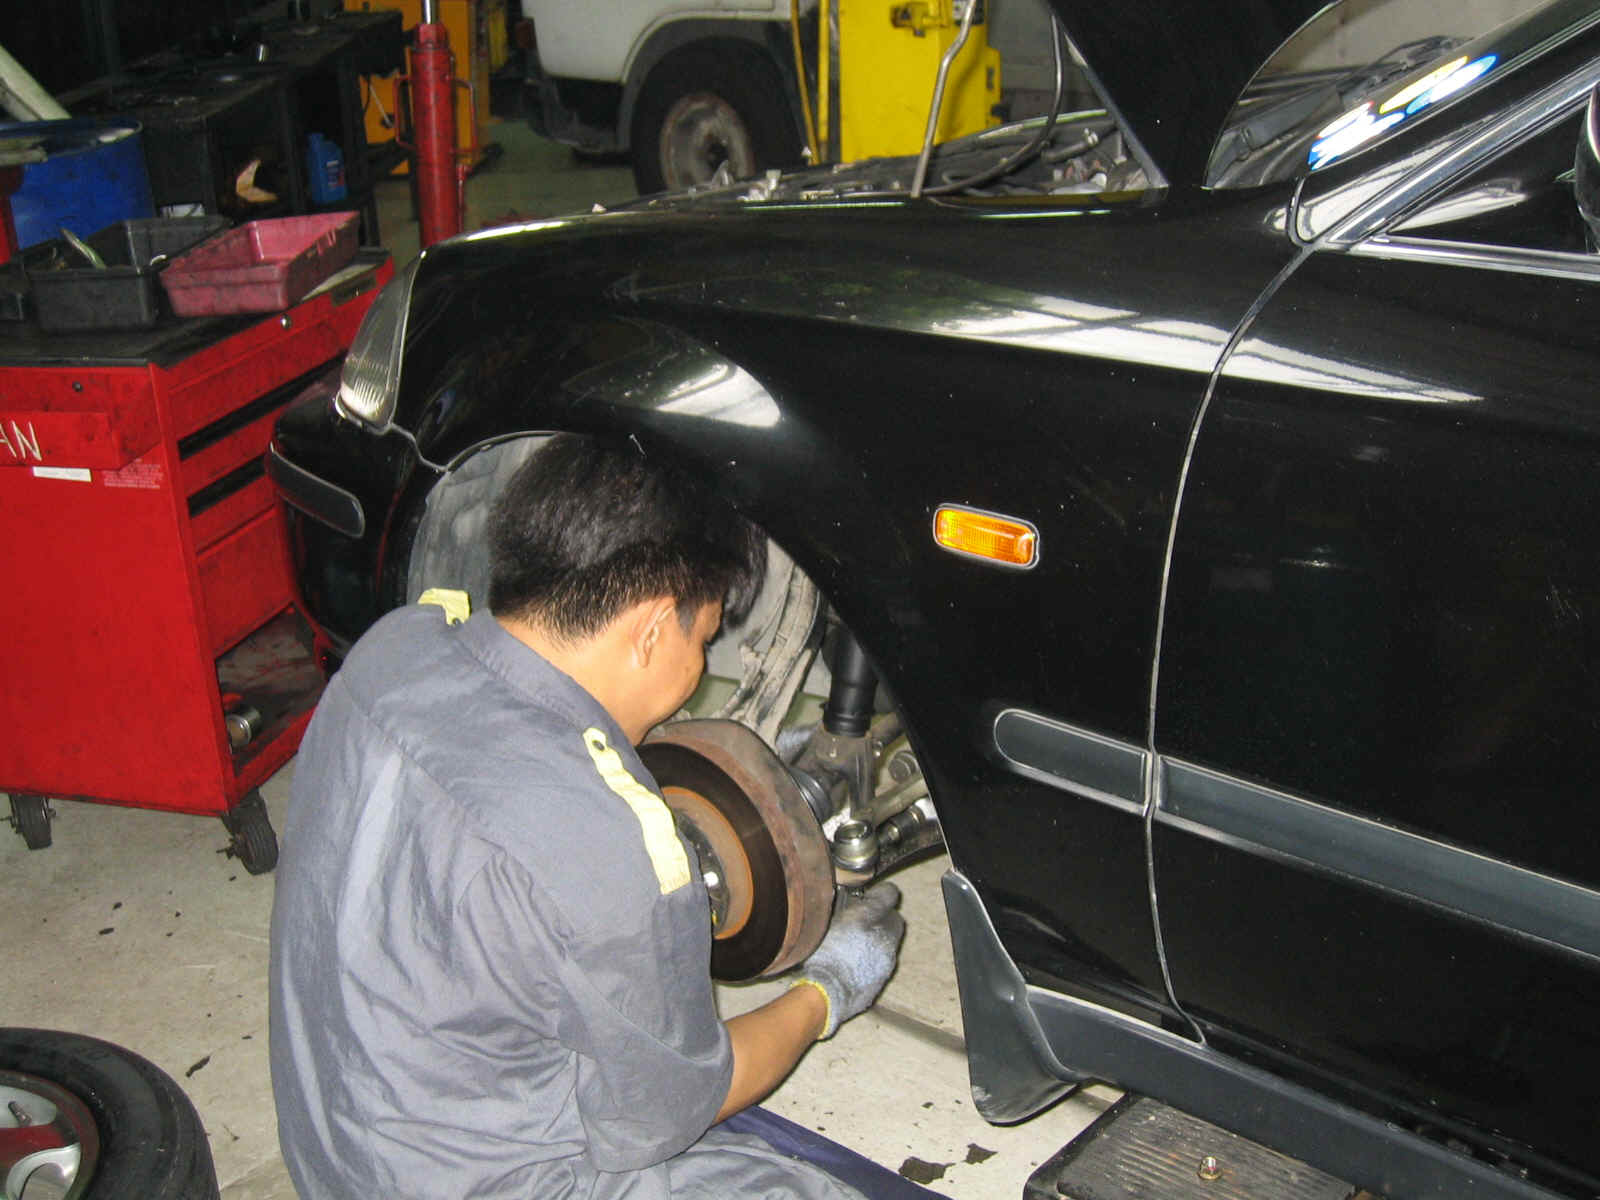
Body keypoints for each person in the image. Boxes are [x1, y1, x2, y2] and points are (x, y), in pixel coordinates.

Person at [269, 434, 906, 1198]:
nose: (698, 669)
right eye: (704, 640)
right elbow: (672, 1114)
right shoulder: (609, 850)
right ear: (651, 627)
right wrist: (827, 991)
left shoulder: (391, 649)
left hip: (330, 1151)